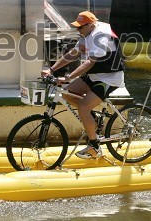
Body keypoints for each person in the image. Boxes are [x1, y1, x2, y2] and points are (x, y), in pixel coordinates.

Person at [42, 11, 124, 159]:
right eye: (76, 27)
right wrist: (52, 69)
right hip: (94, 75)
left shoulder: (100, 35)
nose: (77, 30)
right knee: (66, 93)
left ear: (91, 25)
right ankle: (92, 120)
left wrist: (68, 77)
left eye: (80, 27)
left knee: (83, 107)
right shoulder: (86, 33)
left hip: (108, 78)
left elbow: (89, 62)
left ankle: (94, 147)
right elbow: (74, 53)